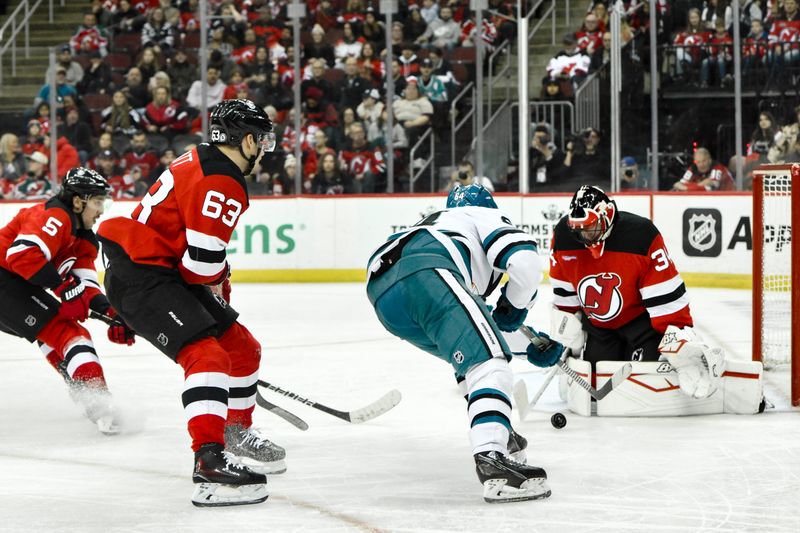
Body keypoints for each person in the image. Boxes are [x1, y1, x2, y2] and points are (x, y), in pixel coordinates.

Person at [96, 99, 283, 507]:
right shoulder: (223, 180)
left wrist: (216, 277)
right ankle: (210, 464)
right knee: (209, 358)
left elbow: (193, 253)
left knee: (243, 350)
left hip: (156, 269)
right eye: (261, 140)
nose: (264, 149)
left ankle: (234, 432)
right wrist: (217, 280)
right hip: (147, 276)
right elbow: (201, 266)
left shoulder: (199, 156)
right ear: (246, 140)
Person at [366, 184, 557, 503]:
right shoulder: (482, 214)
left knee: (474, 362)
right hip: (428, 268)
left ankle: (498, 428)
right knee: (489, 367)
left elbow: (476, 331)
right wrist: (515, 306)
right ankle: (493, 461)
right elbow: (524, 262)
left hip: (383, 290)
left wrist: (529, 345)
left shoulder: (437, 222)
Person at [547, 186, 750, 408]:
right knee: (596, 390)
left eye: (590, 228)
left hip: (641, 327)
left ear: (607, 217)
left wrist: (679, 341)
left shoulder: (640, 235)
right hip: (599, 328)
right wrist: (567, 341)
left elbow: (666, 298)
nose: (585, 237)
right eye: (579, 231)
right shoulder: (564, 239)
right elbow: (565, 297)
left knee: (643, 384)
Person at [0, 167, 134, 434]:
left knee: (50, 335)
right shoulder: (55, 216)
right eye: (97, 202)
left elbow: (85, 286)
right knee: (69, 333)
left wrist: (113, 313)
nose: (101, 210)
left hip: (16, 287)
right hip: (6, 280)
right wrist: (62, 287)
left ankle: (83, 388)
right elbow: (22, 256)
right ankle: (98, 401)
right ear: (77, 201)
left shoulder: (84, 238)